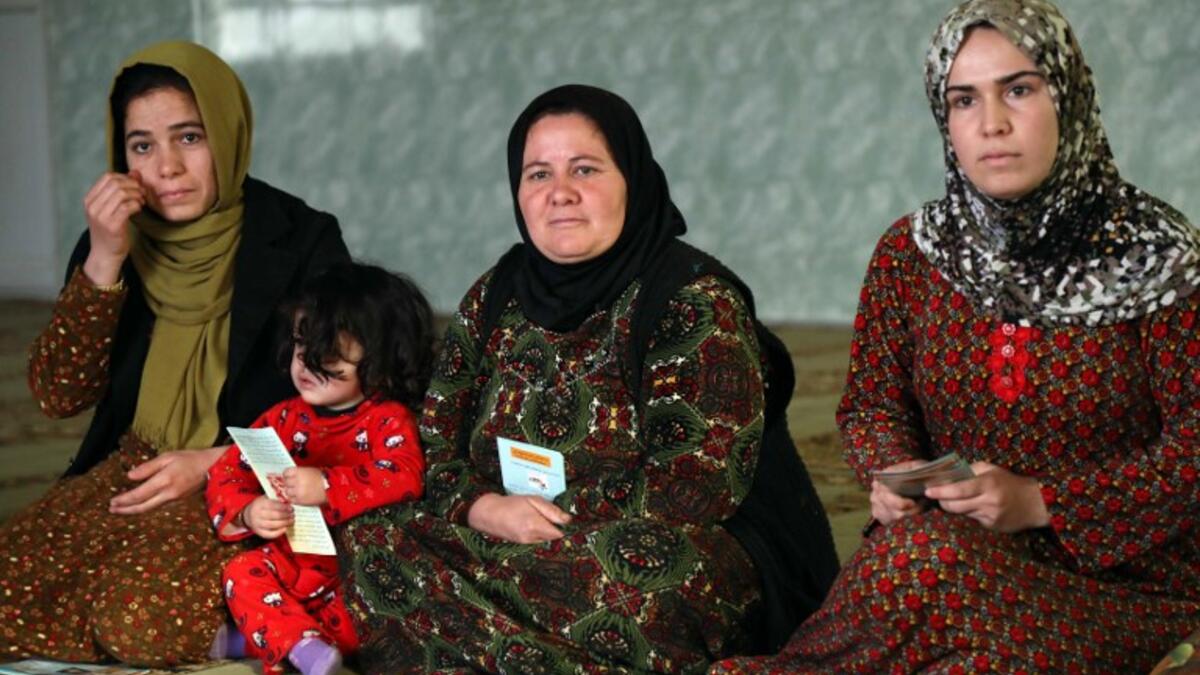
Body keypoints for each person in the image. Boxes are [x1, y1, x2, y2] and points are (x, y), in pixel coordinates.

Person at [712, 0, 1200, 672]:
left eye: (1019, 90)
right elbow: (872, 405)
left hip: (1120, 580)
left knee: (928, 568)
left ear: (1071, 96)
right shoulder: (912, 255)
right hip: (939, 556)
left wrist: (1041, 503)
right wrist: (890, 475)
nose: (992, 124)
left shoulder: (1159, 258)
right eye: (963, 100)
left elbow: (1194, 453)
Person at [334, 84, 837, 674]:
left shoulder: (689, 300)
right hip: (496, 532)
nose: (560, 194)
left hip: (642, 544)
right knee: (366, 535)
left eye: (585, 169)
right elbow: (435, 440)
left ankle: (466, 642)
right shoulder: (497, 293)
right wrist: (482, 509)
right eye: (538, 175)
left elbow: (693, 491)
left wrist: (546, 521)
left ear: (633, 177)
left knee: (646, 578)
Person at [1, 41, 350, 667]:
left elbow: (352, 403)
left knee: (141, 625)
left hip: (244, 480)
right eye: (141, 146)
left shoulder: (301, 239)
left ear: (226, 132)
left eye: (189, 138)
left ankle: (267, 611)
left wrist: (215, 462)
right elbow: (58, 395)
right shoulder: (113, 239)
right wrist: (105, 259)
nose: (166, 167)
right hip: (134, 468)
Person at [206, 262, 433, 675]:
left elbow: (405, 475)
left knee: (376, 617)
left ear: (380, 362)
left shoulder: (388, 420)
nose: (306, 365)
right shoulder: (282, 418)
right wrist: (247, 510)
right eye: (300, 347)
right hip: (292, 559)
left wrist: (328, 484)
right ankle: (297, 645)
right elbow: (226, 472)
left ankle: (272, 642)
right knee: (241, 572)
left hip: (353, 567)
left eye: (326, 355)